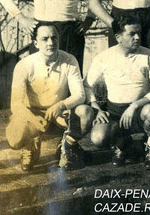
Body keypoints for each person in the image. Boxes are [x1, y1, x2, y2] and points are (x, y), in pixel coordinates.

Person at [6, 23, 94, 171]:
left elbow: (80, 94)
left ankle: (67, 145)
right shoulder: (24, 65)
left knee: (85, 113)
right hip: (33, 113)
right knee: (15, 138)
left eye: (54, 38)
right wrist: (32, 118)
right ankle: (30, 144)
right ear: (36, 43)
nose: (51, 43)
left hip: (58, 112)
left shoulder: (69, 60)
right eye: (45, 39)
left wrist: (60, 105)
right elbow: (16, 104)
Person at [86, 16, 150, 168]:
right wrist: (96, 108)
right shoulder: (104, 57)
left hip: (140, 111)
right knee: (98, 138)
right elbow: (86, 86)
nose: (137, 37)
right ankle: (122, 145)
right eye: (132, 34)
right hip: (115, 113)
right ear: (118, 37)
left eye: (139, 33)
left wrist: (135, 105)